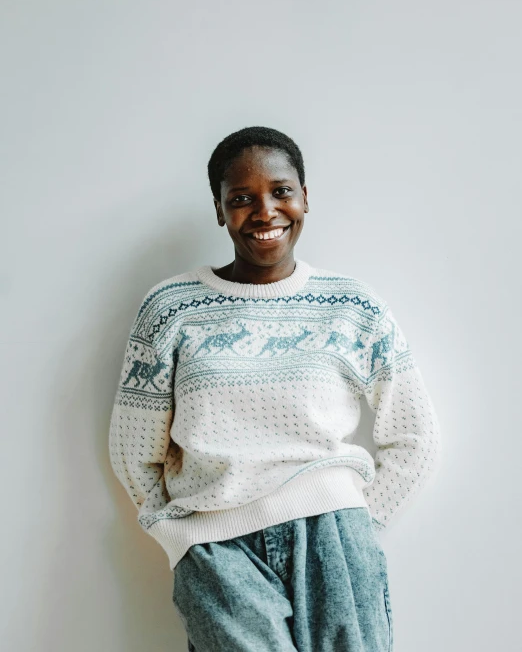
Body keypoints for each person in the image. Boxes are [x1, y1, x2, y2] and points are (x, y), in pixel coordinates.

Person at [108, 126, 442, 651]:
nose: (265, 211)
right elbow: (134, 450)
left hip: (334, 540)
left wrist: (357, 520)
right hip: (217, 548)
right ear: (220, 210)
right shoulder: (170, 309)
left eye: (281, 191)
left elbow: (415, 436)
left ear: (305, 198)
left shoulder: (352, 305)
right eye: (241, 198)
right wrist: (182, 541)